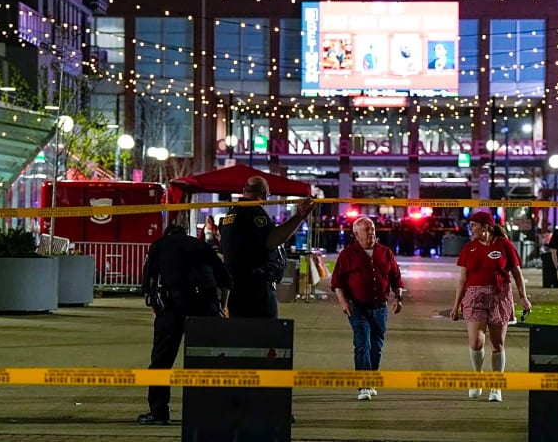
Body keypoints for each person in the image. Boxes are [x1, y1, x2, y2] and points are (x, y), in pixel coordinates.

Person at [137, 223, 231, 425]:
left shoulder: (159, 246)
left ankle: (159, 412)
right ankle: (209, 412)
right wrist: (221, 307)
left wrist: (155, 307)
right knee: (208, 361)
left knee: (161, 362)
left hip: (172, 308)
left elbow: (147, 282)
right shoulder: (202, 246)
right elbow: (225, 279)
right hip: (205, 308)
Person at [450, 211, 531, 403]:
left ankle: (496, 385)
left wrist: (523, 298)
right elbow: (463, 278)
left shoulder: (504, 246)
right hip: (474, 296)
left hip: (499, 295)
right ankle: (477, 377)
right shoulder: (469, 248)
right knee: (476, 342)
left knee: (497, 344)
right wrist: (456, 305)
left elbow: (517, 273)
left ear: (486, 227)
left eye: (474, 225)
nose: (471, 229)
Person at [220, 176, 316, 318]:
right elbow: (273, 239)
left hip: (235, 287)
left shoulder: (231, 214)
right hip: (255, 289)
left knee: (241, 334)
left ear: (243, 191)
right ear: (264, 194)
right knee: (266, 335)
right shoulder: (254, 212)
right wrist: (299, 217)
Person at [331, 217, 404, 401]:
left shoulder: (385, 253)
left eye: (372, 229)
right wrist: (343, 303)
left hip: (380, 308)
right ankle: (363, 385)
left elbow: (396, 278)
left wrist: (398, 297)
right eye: (366, 230)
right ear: (356, 234)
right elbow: (337, 283)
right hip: (357, 308)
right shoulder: (347, 255)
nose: (371, 232)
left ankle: (371, 379)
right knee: (363, 344)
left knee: (377, 346)